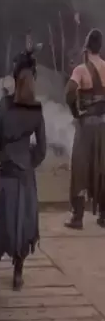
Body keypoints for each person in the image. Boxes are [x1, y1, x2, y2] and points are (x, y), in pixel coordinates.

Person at [0, 50, 46, 291]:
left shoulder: (5, 105)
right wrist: (27, 160)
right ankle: (17, 276)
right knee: (24, 222)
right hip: (26, 177)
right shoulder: (37, 110)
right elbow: (42, 150)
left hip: (7, 174)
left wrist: (9, 159)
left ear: (16, 79)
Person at [64, 29, 105, 229]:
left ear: (87, 47)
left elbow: (70, 94)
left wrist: (76, 113)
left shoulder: (80, 70)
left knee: (80, 168)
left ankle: (77, 216)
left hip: (86, 125)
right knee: (103, 168)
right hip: (103, 126)